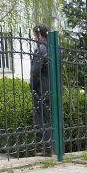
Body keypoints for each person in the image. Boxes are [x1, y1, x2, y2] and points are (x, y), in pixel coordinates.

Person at [29, 24, 52, 155]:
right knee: (52, 118)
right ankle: (56, 148)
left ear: (39, 35)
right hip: (54, 89)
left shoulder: (41, 49)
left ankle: (47, 149)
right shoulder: (56, 48)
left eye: (35, 36)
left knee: (42, 118)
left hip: (42, 90)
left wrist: (33, 87)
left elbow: (35, 72)